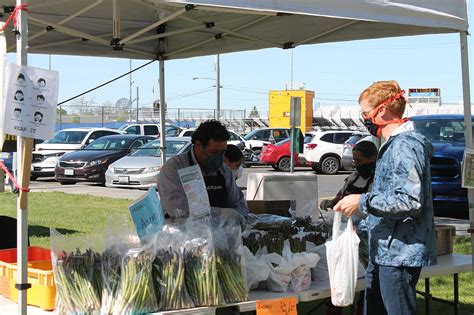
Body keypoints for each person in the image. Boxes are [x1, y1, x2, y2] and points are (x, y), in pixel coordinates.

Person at [334, 80, 436, 315]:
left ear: (382, 110)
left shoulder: (404, 147)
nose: (364, 118)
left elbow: (410, 201)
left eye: (365, 113)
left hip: (399, 253)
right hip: (384, 250)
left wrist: (361, 201)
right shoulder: (392, 145)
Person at [157, 120, 248, 222]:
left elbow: (238, 203)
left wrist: (240, 216)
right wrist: (222, 214)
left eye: (222, 152)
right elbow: (179, 210)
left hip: (221, 233)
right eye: (214, 152)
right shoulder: (174, 168)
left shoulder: (224, 171)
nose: (219, 157)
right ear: (198, 146)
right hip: (183, 234)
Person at [320, 140, 377, 212]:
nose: (356, 164)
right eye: (354, 160)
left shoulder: (378, 181)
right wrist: (331, 203)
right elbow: (340, 197)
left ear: (372, 159)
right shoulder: (353, 177)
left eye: (359, 160)